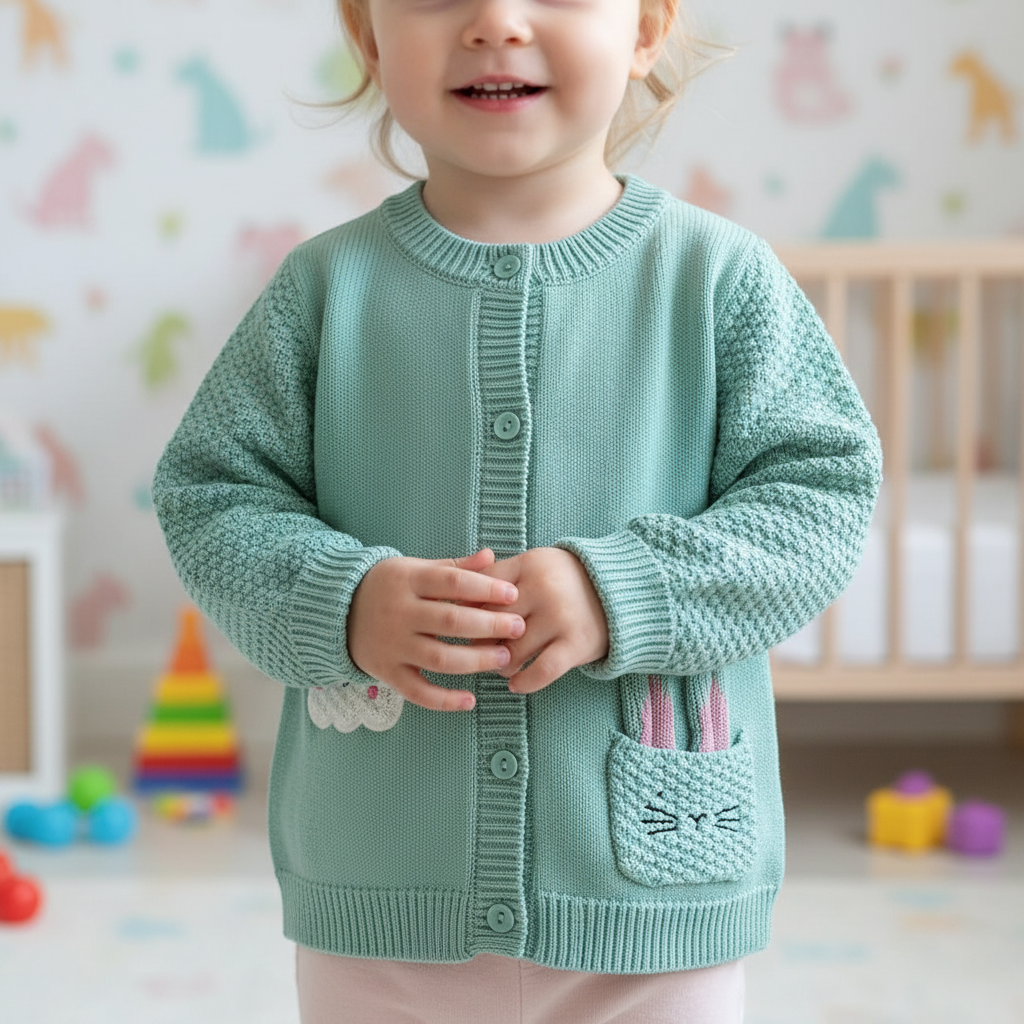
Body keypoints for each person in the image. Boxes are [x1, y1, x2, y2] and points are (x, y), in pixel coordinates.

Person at [152, 0, 882, 1019]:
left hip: (651, 897)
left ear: (645, 27)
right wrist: (344, 600)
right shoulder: (323, 289)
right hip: (381, 897)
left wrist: (621, 586)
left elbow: (822, 494)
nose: (496, 23)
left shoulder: (720, 278)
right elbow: (211, 493)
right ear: (368, 35)